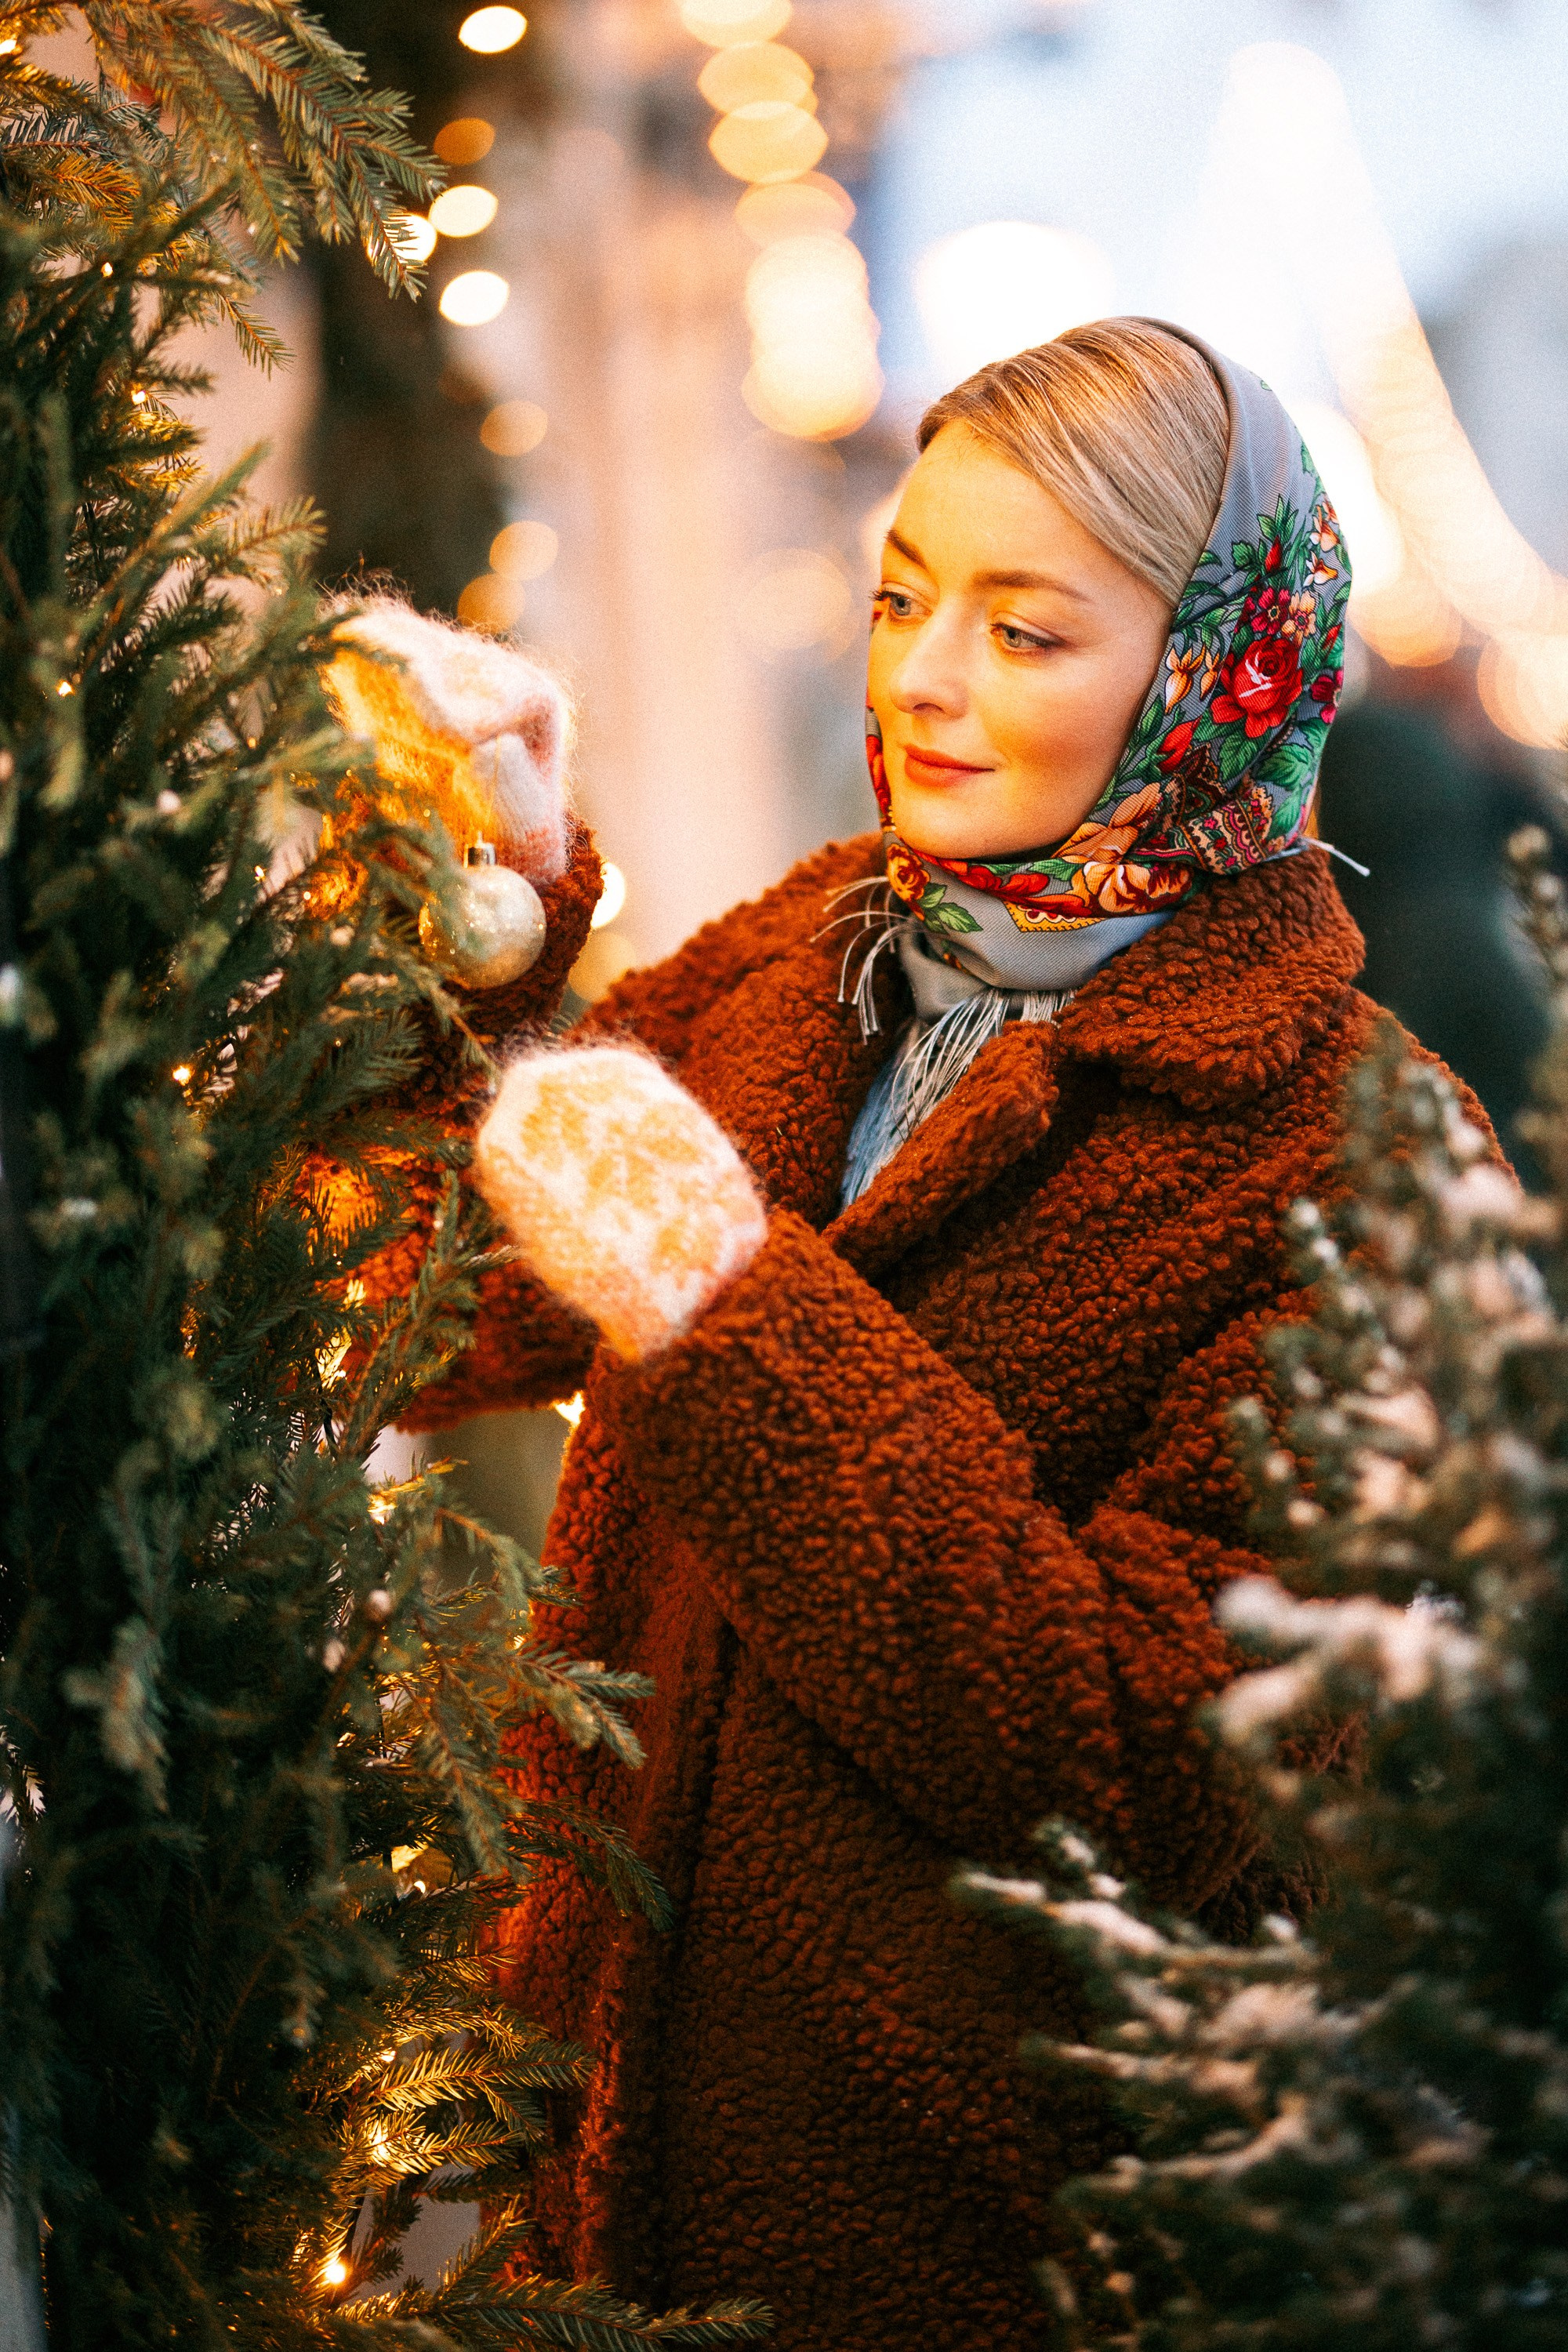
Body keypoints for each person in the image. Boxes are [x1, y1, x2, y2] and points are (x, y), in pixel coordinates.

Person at [349, 320, 1486, 2349]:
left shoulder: (1360, 1150)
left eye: (1027, 631)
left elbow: (1169, 1782)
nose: (923, 679)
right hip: (595, 2212)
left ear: (1217, 673)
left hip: (994, 2261)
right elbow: (407, 1299)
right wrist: (477, 907)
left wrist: (724, 1312)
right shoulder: (820, 955)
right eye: (901, 596)